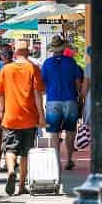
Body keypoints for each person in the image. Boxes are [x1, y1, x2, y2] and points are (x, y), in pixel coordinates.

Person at [0, 38, 46, 195]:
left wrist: (2, 111)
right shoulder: (33, 68)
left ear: (15, 52)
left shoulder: (6, 69)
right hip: (29, 117)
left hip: (10, 116)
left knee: (10, 148)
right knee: (25, 152)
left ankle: (11, 171)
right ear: (28, 51)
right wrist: (42, 117)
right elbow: (38, 94)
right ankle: (22, 185)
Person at [39, 35, 86, 169]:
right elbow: (78, 82)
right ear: (63, 48)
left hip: (53, 100)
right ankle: (69, 159)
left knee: (54, 132)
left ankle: (56, 161)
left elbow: (43, 83)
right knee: (70, 131)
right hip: (70, 99)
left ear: (53, 50)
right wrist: (80, 98)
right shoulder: (71, 62)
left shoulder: (47, 63)